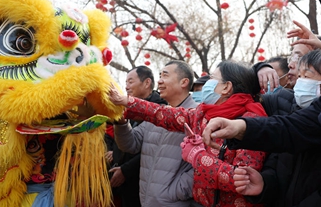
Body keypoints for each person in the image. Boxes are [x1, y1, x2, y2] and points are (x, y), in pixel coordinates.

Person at [109, 60, 268, 207]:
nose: (207, 84)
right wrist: (125, 101)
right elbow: (163, 114)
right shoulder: (203, 114)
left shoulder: (252, 122)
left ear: (226, 87)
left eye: (212, 78)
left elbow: (244, 181)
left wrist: (197, 156)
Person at [232, 49, 321, 206]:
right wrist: (265, 184)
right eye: (300, 76)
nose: (301, 82)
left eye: (307, 76)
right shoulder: (290, 114)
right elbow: (277, 162)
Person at [111, 60, 199, 207]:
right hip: (146, 200)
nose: (159, 81)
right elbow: (131, 144)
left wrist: (177, 192)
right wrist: (121, 123)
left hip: (176, 202)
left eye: (165, 75)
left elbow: (202, 165)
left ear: (184, 82)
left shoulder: (196, 116)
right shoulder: (157, 115)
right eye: (159, 75)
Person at [105, 65, 167, 207]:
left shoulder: (160, 109)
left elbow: (151, 149)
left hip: (144, 182)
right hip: (125, 183)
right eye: (126, 82)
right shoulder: (129, 107)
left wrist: (126, 170)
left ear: (146, 83)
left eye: (130, 82)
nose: (126, 87)